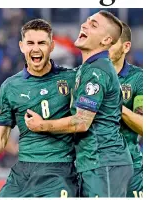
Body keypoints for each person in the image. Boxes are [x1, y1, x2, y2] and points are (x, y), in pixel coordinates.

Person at [0, 19, 78, 197]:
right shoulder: (10, 86)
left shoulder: (72, 79)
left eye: (42, 43)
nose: (36, 48)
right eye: (30, 43)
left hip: (59, 170)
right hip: (23, 171)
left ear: (52, 46)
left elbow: (84, 120)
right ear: (22, 46)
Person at [25, 11, 133, 197]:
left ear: (106, 40)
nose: (84, 25)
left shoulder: (97, 71)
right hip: (93, 163)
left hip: (104, 162)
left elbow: (81, 122)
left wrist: (42, 125)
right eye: (87, 21)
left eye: (94, 25)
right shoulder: (87, 68)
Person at [109, 22, 143, 198]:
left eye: (111, 42)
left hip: (130, 167)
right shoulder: (84, 75)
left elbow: (143, 126)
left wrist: (116, 106)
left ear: (126, 46)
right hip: (93, 167)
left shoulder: (138, 79)